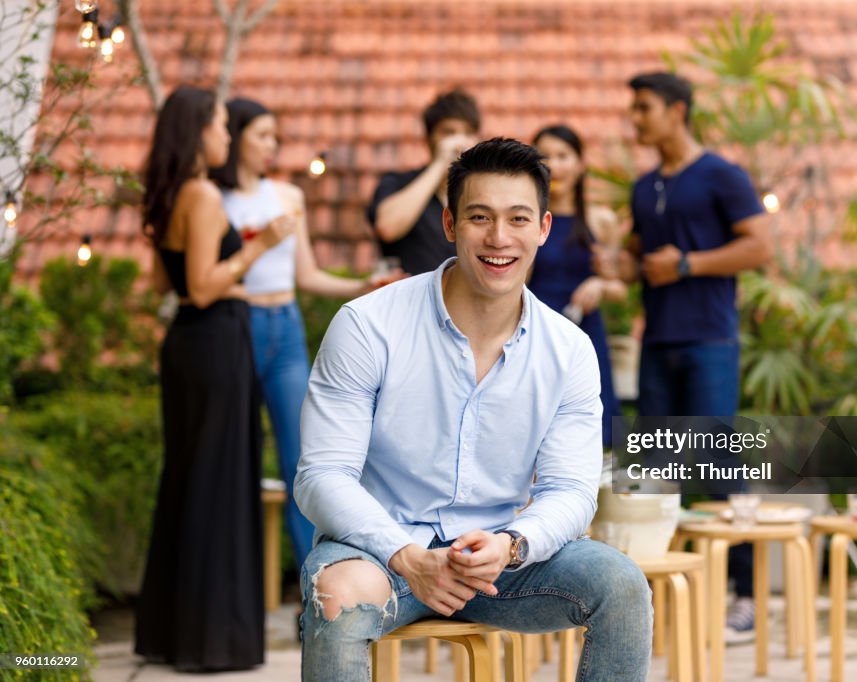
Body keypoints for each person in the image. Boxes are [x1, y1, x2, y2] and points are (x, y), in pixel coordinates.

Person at [295, 138, 653, 681]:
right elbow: (321, 476)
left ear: (544, 228)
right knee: (338, 596)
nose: (499, 238)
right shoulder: (368, 326)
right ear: (449, 223)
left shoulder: (568, 350)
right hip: (385, 552)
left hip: (498, 561)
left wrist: (511, 545)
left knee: (622, 586)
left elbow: (572, 492)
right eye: (480, 217)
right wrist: (410, 558)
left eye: (518, 219)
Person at [135, 85, 294, 671]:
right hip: (216, 340)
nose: (227, 136)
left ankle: (175, 633)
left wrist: (222, 276)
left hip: (187, 347)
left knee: (188, 478)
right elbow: (203, 287)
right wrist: (258, 248)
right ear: (199, 129)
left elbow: (167, 285)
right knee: (219, 483)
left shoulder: (171, 193)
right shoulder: (201, 193)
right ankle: (213, 640)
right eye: (222, 126)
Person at [612, 72, 772, 643]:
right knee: (654, 475)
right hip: (658, 343)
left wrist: (687, 265)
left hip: (710, 342)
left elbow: (759, 245)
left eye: (645, 108)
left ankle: (746, 599)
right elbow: (636, 258)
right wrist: (623, 265)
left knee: (719, 469)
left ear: (678, 111)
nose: (636, 119)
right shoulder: (644, 185)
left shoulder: (722, 175)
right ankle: (655, 600)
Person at [209, 98, 389, 574]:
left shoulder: (289, 196)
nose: (271, 146)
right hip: (235, 325)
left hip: (285, 329)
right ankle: (236, 591)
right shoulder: (212, 197)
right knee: (234, 461)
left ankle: (313, 585)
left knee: (303, 462)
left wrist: (361, 286)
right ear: (237, 136)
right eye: (262, 135)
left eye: (275, 137)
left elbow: (305, 274)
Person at [530, 124, 626, 448]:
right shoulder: (524, 219)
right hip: (536, 338)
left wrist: (600, 284)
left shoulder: (601, 220)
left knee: (589, 436)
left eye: (563, 156)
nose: (555, 165)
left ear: (580, 163)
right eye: (546, 156)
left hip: (586, 336)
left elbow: (620, 288)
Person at [367, 88, 480, 275]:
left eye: (468, 133)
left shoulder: (479, 193)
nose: (459, 141)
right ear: (429, 139)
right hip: (409, 298)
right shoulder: (397, 182)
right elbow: (387, 227)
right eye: (448, 132)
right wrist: (440, 164)